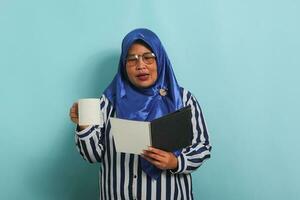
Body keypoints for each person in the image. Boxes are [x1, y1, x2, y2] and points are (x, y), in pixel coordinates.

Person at [69, 28, 211, 200]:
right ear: (124, 65)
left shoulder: (182, 99)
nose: (140, 65)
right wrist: (83, 124)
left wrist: (176, 162)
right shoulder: (108, 102)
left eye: (148, 57)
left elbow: (202, 146)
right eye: (132, 59)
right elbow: (92, 155)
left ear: (160, 60)